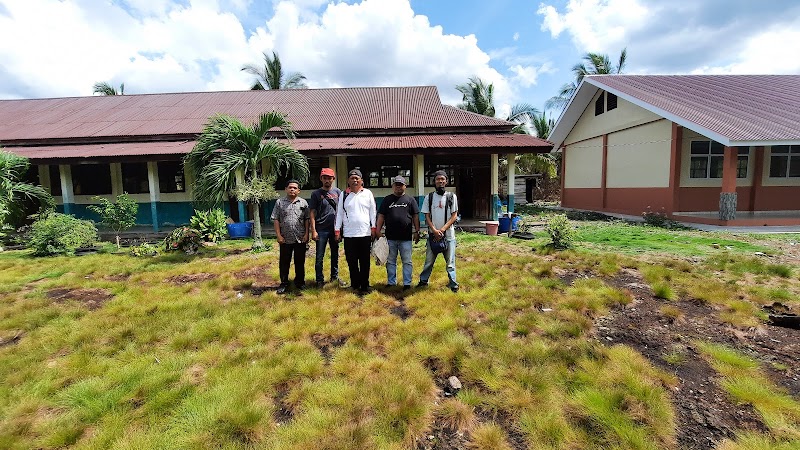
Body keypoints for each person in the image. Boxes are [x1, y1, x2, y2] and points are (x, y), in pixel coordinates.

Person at [334, 169, 377, 295]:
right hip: (349, 235)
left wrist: (373, 228)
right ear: (348, 181)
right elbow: (339, 214)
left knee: (364, 261)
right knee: (351, 261)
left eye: (357, 178)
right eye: (352, 178)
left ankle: (364, 285)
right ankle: (354, 284)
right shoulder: (344, 195)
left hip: (365, 233)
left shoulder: (368, 193)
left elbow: (372, 212)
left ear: (362, 181)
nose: (354, 180)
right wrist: (337, 230)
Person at [375, 175, 420, 290]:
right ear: (393, 186)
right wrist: (377, 230)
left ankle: (407, 283)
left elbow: (415, 216)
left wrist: (417, 231)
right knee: (390, 261)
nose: (398, 187)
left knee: (407, 261)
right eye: (396, 185)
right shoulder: (387, 200)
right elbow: (381, 216)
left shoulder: (410, 200)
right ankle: (391, 282)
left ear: (405, 186)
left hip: (406, 238)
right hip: (390, 237)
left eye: (401, 185)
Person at [418, 170, 459, 292]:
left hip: (449, 236)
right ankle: (423, 281)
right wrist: (434, 231)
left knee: (450, 263)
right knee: (429, 262)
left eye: (442, 179)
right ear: (434, 182)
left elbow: (454, 216)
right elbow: (427, 216)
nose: (440, 181)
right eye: (437, 179)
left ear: (446, 181)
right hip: (433, 236)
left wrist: (442, 230)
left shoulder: (452, 197)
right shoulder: (429, 197)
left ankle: (453, 284)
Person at [271, 180, 309, 294]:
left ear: (298, 191)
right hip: (285, 239)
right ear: (286, 189)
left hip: (300, 238)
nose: (292, 189)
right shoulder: (279, 203)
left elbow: (307, 219)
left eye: (294, 188)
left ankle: (300, 282)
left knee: (299, 262)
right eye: (290, 187)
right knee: (284, 262)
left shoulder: (303, 203)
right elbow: (276, 219)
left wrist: (307, 234)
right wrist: (278, 235)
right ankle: (284, 283)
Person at [309, 168, 342, 288]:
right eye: (325, 178)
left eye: (330, 178)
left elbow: (341, 211)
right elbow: (312, 212)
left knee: (335, 254)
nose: (327, 180)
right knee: (319, 256)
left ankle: (334, 277)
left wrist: (340, 230)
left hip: (335, 230)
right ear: (321, 179)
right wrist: (313, 230)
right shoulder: (316, 194)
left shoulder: (338, 192)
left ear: (333, 179)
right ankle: (319, 280)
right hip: (321, 230)